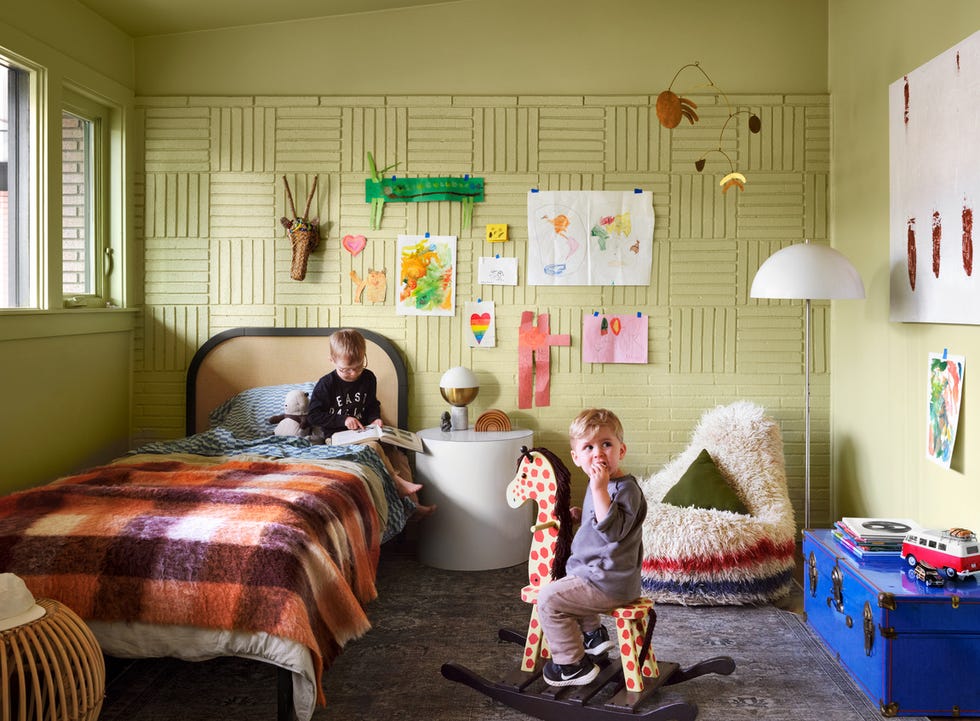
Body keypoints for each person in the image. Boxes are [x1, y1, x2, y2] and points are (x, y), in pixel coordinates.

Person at [537, 408, 647, 687]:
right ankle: (593, 636)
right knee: (572, 579)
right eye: (588, 447)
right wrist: (580, 516)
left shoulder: (625, 489)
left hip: (609, 582)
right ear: (577, 458)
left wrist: (599, 490)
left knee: (549, 598)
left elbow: (612, 532)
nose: (598, 453)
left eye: (606, 444)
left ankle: (571, 664)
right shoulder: (602, 484)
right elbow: (598, 523)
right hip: (600, 575)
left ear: (621, 451)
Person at [308, 328, 434, 515]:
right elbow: (313, 415)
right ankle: (398, 484)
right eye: (346, 370)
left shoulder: (368, 378)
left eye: (359, 366)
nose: (353, 373)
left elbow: (372, 405)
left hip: (365, 431)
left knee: (398, 454)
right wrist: (343, 420)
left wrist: (375, 419)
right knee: (373, 448)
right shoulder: (326, 384)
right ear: (332, 360)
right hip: (336, 437)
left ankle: (413, 505)